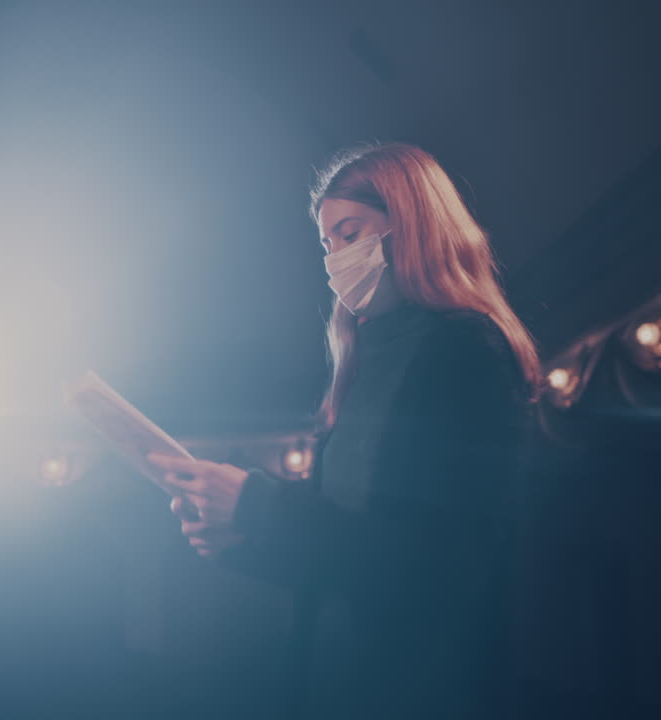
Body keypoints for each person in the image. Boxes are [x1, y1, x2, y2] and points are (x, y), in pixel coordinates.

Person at [149, 143, 540, 719]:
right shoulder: (363, 362)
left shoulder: (464, 349)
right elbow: (343, 551)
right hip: (348, 681)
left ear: (410, 224)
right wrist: (240, 538)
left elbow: (439, 566)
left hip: (427, 689)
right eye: (327, 243)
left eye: (350, 232)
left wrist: (257, 506)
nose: (335, 258)